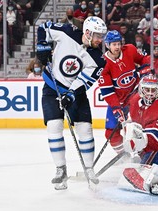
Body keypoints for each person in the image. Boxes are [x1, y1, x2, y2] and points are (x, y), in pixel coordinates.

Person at [36, 16, 107, 190]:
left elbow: (83, 81)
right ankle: (61, 169)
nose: (100, 40)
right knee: (54, 126)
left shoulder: (98, 59)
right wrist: (43, 45)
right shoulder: (66, 32)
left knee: (85, 129)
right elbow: (43, 27)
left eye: (102, 36)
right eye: (98, 35)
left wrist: (70, 95)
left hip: (76, 94)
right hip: (52, 88)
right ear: (88, 32)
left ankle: (89, 169)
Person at [98, 30, 150, 155]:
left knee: (134, 127)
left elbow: (143, 59)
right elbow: (108, 91)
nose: (117, 47)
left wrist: (146, 71)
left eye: (118, 43)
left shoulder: (130, 50)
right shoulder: (102, 64)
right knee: (110, 132)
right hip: (119, 101)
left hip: (135, 93)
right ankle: (124, 155)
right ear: (107, 45)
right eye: (114, 44)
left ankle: (143, 152)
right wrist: (116, 109)